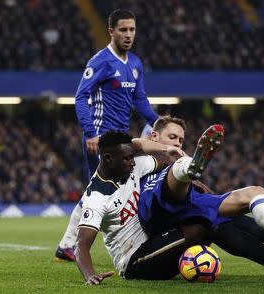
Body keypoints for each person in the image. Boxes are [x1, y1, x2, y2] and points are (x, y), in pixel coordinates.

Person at [75, 129, 264, 285]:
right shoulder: (97, 197)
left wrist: (171, 153)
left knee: (211, 213)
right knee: (204, 226)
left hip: (157, 232)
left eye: (132, 156)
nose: (133, 162)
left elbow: (140, 148)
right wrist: (89, 275)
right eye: (127, 158)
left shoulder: (133, 165)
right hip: (136, 260)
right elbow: (81, 246)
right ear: (108, 159)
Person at [56, 9, 158, 260]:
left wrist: (156, 121)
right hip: (101, 138)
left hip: (121, 140)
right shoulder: (100, 61)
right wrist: (90, 133)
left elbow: (139, 98)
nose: (128, 35)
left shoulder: (134, 63)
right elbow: (81, 97)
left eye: (132, 30)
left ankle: (68, 244)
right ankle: (87, 244)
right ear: (111, 31)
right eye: (123, 30)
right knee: (106, 189)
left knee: (99, 190)